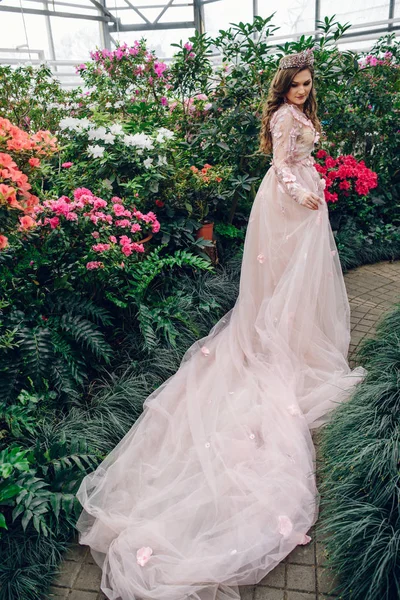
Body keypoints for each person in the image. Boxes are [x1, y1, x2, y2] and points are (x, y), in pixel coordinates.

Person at [75, 48, 367, 600]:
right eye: (296, 84)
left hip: (305, 204)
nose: (302, 91)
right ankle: (274, 345)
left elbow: (301, 158)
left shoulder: (302, 114)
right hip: (286, 204)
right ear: (284, 86)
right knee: (281, 288)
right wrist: (304, 190)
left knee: (300, 291)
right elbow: (282, 166)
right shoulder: (283, 116)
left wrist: (315, 184)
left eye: (307, 85)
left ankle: (298, 344)